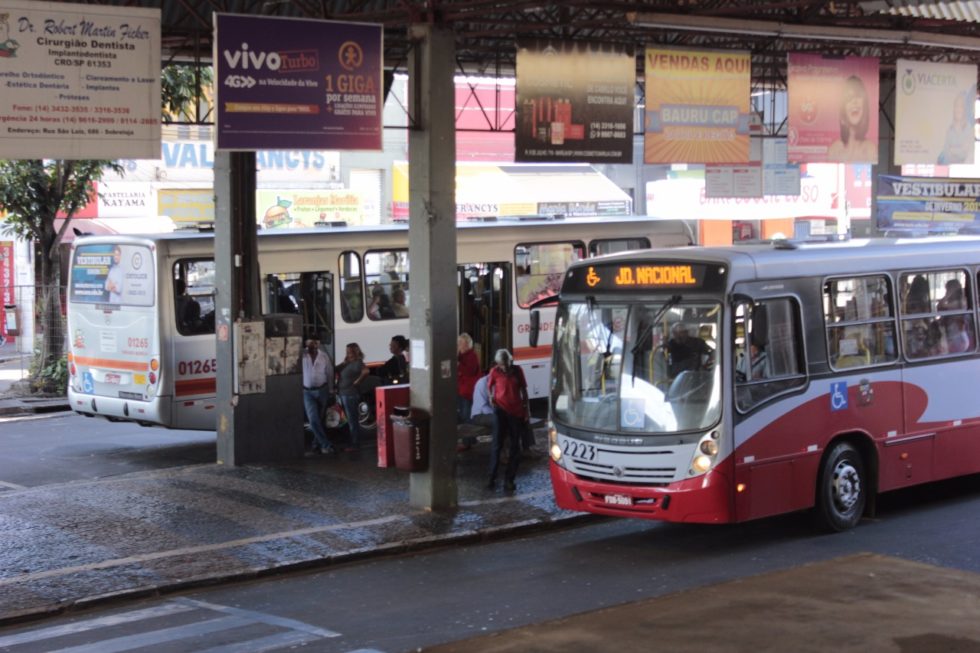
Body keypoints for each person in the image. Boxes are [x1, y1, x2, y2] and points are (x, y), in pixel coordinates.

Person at [487, 349, 528, 493]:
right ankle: (491, 476)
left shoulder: (517, 370)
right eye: (501, 364)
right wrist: (491, 397)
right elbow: (489, 386)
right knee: (497, 444)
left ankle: (509, 479)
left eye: (506, 364)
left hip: (516, 412)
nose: (504, 367)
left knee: (515, 447)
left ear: (510, 361)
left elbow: (524, 389)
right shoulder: (494, 371)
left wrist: (526, 410)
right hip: (500, 410)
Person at [827, 75, 877, 163]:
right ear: (843, 109)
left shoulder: (871, 150)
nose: (855, 102)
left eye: (858, 96)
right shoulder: (834, 150)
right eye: (849, 98)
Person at [302, 336, 336, 456]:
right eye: (311, 342)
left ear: (319, 343)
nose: (313, 345)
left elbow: (329, 373)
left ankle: (316, 445)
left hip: (322, 390)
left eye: (315, 342)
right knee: (313, 419)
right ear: (306, 342)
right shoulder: (303, 355)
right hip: (307, 392)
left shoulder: (324, 356)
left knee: (320, 420)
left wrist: (331, 390)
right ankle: (326, 445)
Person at [336, 342, 370, 452]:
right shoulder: (348, 362)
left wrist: (357, 382)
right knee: (348, 419)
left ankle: (355, 444)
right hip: (343, 393)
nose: (348, 353)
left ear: (356, 352)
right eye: (347, 351)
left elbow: (366, 371)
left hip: (350, 394)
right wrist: (344, 363)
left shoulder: (358, 363)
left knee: (352, 420)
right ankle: (352, 442)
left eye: (350, 351)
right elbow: (335, 369)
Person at [939, 90, 974, 165]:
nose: (958, 109)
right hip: (950, 171)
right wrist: (961, 149)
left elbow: (967, 154)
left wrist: (954, 150)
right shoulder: (949, 130)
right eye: (956, 106)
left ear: (965, 109)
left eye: (961, 106)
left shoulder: (970, 130)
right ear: (954, 109)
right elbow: (947, 154)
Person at [457, 333, 481, 424]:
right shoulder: (461, 356)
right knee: (463, 415)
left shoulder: (472, 356)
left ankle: (469, 438)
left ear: (467, 344)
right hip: (461, 391)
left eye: (460, 342)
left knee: (467, 417)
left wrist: (458, 365)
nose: (458, 344)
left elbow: (469, 371)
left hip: (468, 393)